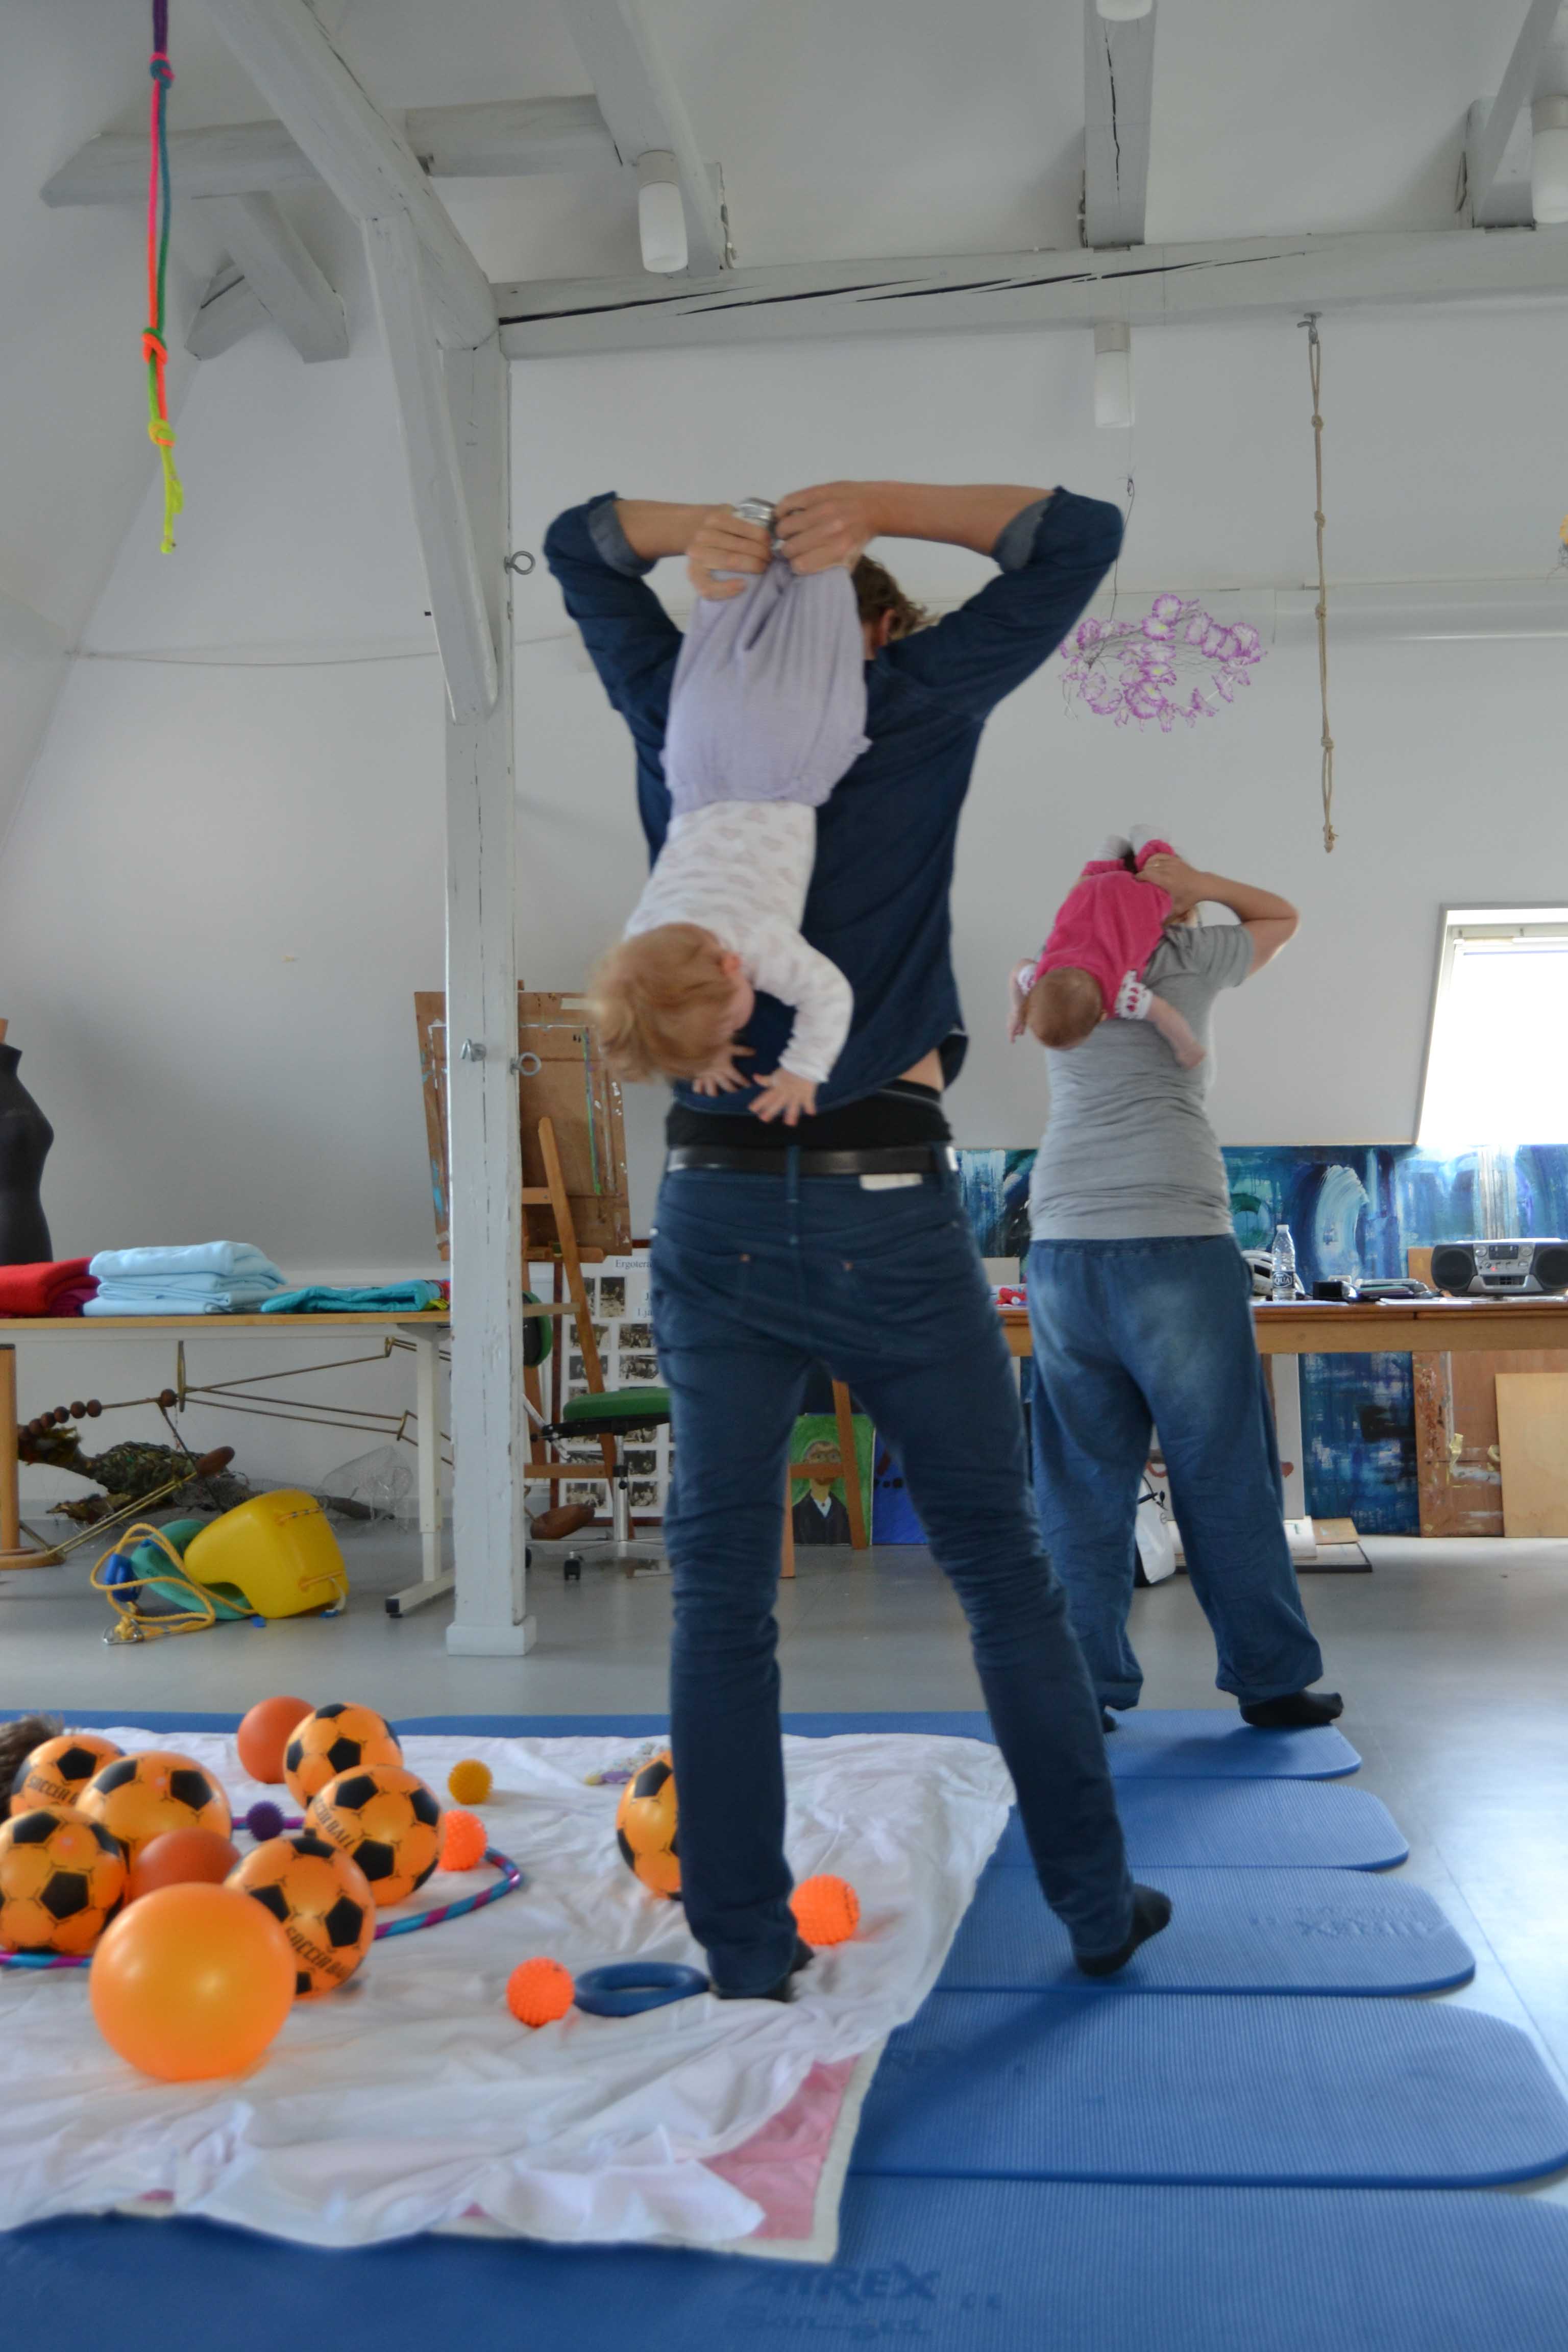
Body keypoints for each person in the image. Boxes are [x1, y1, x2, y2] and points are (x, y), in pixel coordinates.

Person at [546, 476, 1170, 1999]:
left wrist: (691, 532)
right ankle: (1094, 1906)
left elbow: (576, 545)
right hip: (883, 1195)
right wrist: (874, 505)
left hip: (714, 1201)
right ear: (876, 632)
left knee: (717, 1586)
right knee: (997, 1565)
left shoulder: (681, 713)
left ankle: (745, 1952)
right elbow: (1079, 536)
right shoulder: (908, 700)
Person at [1015, 845, 1343, 1732]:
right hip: (1172, 1236)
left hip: (1063, 1246)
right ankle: (1270, 1682)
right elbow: (1280, 917)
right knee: (1221, 1464)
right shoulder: (1187, 955)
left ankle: (1077, 1690)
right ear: (1164, 906)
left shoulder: (1053, 971)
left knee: (1079, 1478)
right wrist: (1199, 886)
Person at [590, 515, 869, 1125]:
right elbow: (658, 999)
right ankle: (742, 544)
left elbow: (828, 996)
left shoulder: (756, 945)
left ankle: (820, 552)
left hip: (782, 766)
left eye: (729, 1025)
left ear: (731, 968)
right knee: (720, 642)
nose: (734, 1029)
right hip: (698, 762)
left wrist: (803, 1070)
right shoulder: (643, 938)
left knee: (816, 647)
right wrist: (704, 1051)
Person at [1008, 829, 1203, 1068]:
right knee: (1095, 874)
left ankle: (1149, 842)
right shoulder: (1036, 979)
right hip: (1089, 890)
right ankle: (1112, 847)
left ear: (1102, 1016)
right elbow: (1017, 970)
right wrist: (1017, 1009)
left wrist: (1187, 1047)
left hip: (1132, 897)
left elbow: (1165, 1014)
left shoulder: (1121, 995)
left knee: (1167, 885)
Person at [791, 1438, 853, 1548]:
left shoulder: (847, 1515)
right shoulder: (794, 1516)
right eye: (819, 1457)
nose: (826, 1461)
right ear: (806, 1464)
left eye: (833, 1456)